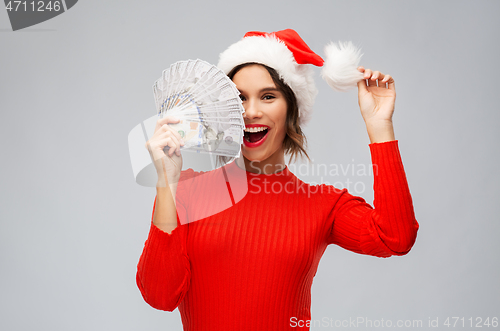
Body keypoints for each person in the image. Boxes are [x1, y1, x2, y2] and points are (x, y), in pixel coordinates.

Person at [136, 29, 419, 331]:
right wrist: (166, 182)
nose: (251, 111)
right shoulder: (187, 190)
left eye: (268, 96)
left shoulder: (322, 205)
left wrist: (379, 127)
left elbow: (396, 238)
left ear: (292, 111)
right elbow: (159, 295)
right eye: (239, 98)